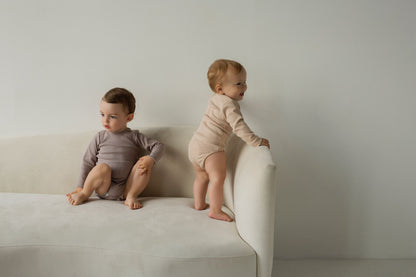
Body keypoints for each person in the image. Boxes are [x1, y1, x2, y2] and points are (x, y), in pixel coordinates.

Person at [188, 59, 270, 222]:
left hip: (194, 145)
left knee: (202, 177)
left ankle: (199, 203)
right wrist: (256, 141)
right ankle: (215, 210)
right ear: (220, 89)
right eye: (238, 83)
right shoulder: (229, 105)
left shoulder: (215, 98)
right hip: (211, 148)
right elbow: (239, 127)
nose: (244, 87)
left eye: (245, 82)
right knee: (217, 178)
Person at [67, 87, 164, 209]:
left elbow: (159, 146)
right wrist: (80, 187)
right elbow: (87, 161)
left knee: (143, 163)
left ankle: (131, 197)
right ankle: (85, 193)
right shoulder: (100, 137)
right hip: (104, 187)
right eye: (102, 114)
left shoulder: (134, 136)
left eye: (112, 117)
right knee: (102, 168)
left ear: (128, 118)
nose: (105, 120)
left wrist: (151, 160)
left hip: (126, 189)